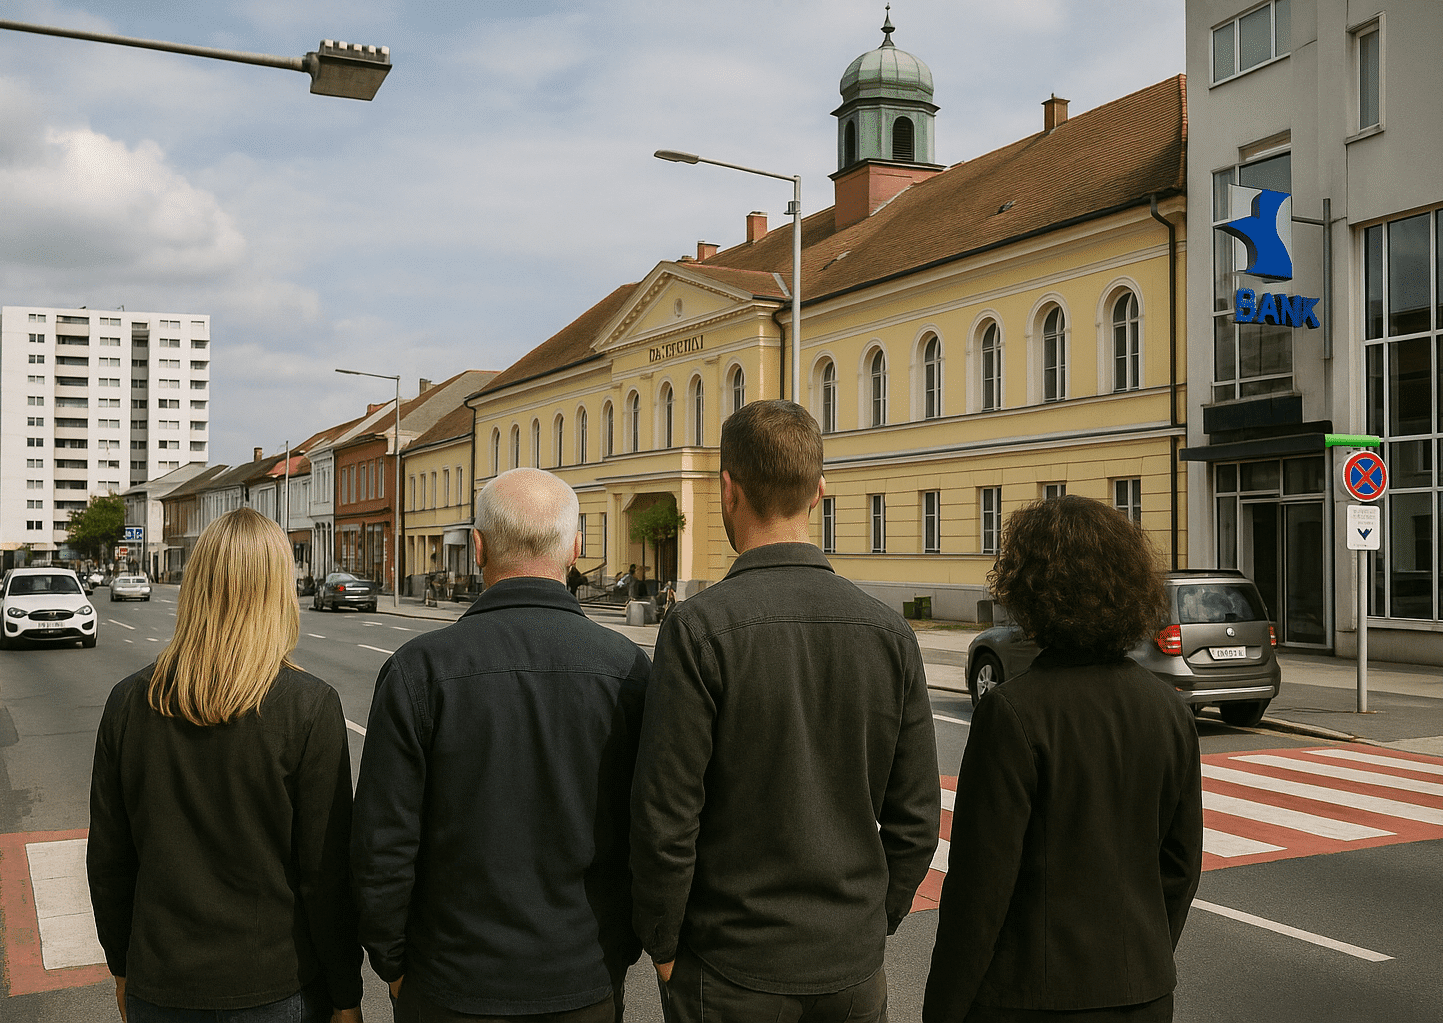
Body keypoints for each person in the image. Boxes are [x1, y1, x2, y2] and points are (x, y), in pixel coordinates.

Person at [629, 400, 940, 1023]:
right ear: (819, 491)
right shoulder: (889, 633)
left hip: (731, 965)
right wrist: (874, 919)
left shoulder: (697, 629)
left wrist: (663, 944)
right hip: (851, 967)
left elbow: (666, 813)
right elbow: (915, 816)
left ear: (728, 491)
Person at [351, 467, 651, 1022]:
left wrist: (391, 961)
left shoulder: (420, 670)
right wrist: (623, 949)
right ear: (575, 548)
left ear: (479, 547)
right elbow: (652, 829)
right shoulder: (628, 670)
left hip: (449, 982)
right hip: (582, 976)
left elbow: (382, 842)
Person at [922, 495, 1203, 1023]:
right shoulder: (1168, 708)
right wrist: (1142, 956)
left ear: (1030, 591)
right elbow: (1181, 865)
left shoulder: (1012, 712)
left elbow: (979, 890)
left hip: (1031, 998)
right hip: (1142, 993)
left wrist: (943, 1009)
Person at [87, 506, 364, 1023]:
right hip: (276, 985)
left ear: (195, 588)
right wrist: (346, 993)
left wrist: (122, 967)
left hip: (161, 984)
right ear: (279, 593)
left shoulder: (128, 702)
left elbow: (109, 861)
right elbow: (325, 875)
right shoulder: (309, 706)